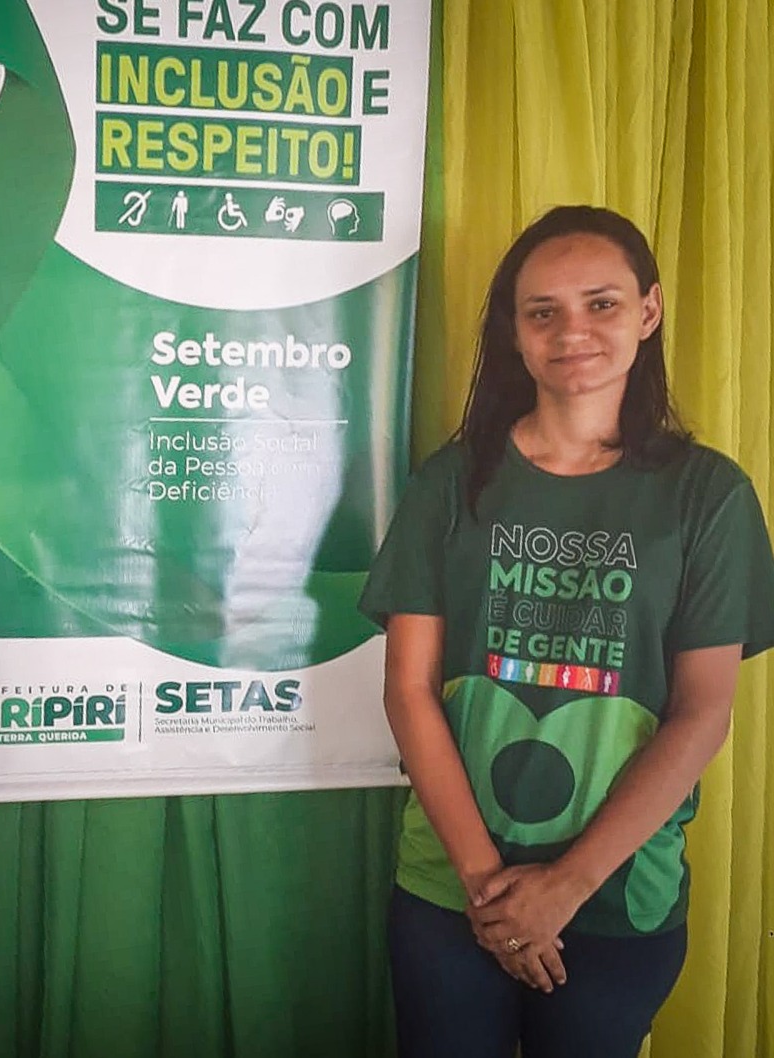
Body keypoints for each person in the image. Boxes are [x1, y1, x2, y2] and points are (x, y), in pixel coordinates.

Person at [359, 204, 774, 1058]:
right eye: (542, 311)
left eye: (602, 304)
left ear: (649, 311)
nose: (571, 331)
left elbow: (702, 711)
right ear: (514, 333)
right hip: (451, 890)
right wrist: (490, 889)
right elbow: (409, 690)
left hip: (621, 897)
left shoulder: (710, 496)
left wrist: (567, 885)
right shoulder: (449, 484)